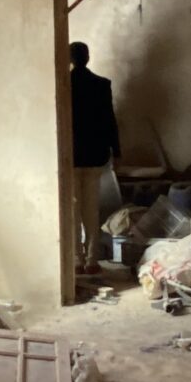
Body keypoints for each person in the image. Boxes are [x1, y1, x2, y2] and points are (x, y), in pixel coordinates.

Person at [68, 41, 120, 274]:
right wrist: (116, 151)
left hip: (70, 156)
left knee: (72, 209)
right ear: (87, 57)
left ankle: (76, 260)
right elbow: (109, 120)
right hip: (95, 155)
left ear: (70, 59)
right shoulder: (101, 84)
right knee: (91, 209)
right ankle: (91, 259)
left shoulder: (63, 84)